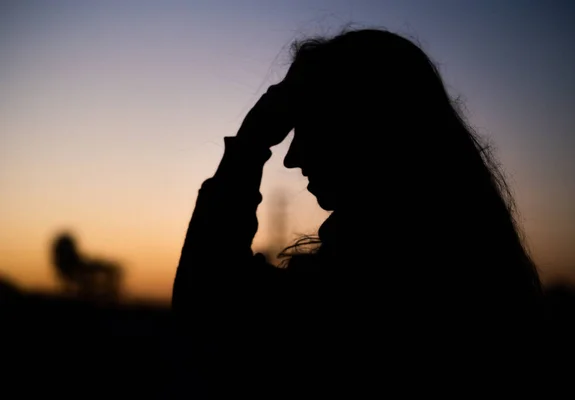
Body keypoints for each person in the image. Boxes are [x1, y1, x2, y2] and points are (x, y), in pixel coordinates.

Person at [172, 28, 545, 395]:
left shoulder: (363, 285)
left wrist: (250, 144)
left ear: (362, 123)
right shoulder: (469, 264)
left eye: (308, 126)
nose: (291, 157)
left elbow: (205, 310)